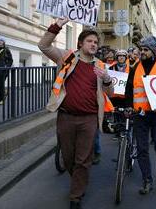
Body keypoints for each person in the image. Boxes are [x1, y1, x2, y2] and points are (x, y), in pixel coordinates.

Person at [38, 18, 114, 209]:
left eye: (96, 42)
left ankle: (76, 196)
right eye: (90, 41)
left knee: (83, 159)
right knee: (69, 157)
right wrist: (58, 25)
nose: (93, 44)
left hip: (89, 119)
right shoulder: (68, 57)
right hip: (66, 116)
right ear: (81, 43)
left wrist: (106, 79)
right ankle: (79, 181)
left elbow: (110, 93)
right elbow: (44, 46)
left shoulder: (100, 66)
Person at [125, 35, 156, 195]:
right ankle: (147, 179)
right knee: (142, 149)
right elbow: (129, 90)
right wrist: (128, 107)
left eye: (145, 50)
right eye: (141, 49)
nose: (142, 52)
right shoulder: (135, 67)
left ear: (152, 51)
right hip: (141, 115)